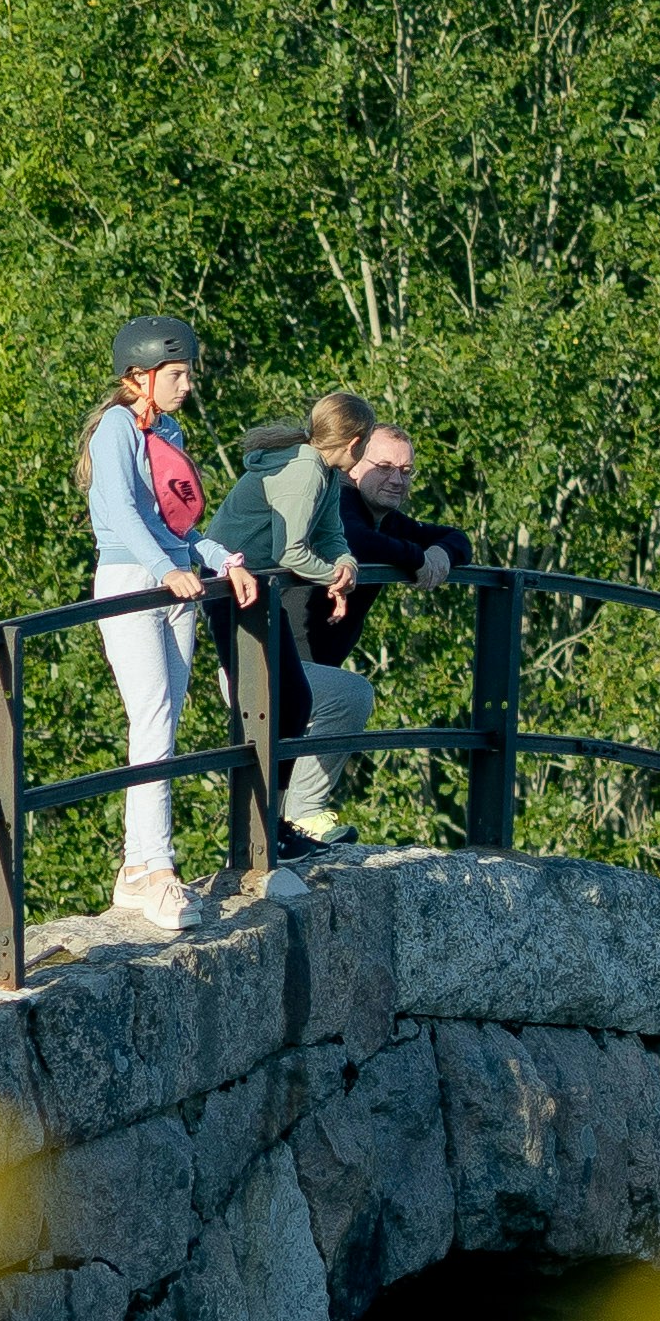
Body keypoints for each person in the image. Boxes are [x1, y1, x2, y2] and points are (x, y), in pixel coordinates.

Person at [77, 316, 257, 925]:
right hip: (134, 580)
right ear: (139, 375)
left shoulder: (169, 428)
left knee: (166, 722)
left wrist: (222, 560)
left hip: (179, 581)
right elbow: (120, 513)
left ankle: (135, 870)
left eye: (186, 373)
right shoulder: (114, 430)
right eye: (175, 374)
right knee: (152, 717)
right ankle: (156, 869)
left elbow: (178, 525)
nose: (186, 384)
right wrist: (162, 569)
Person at [190, 394, 369, 852]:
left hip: (258, 590)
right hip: (231, 587)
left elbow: (329, 535)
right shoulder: (304, 468)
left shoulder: (324, 472)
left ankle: (273, 825)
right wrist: (333, 575)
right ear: (355, 441)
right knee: (276, 706)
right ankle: (260, 830)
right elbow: (292, 552)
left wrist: (345, 565)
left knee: (293, 703)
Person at [294, 410, 473, 838]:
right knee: (352, 695)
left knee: (335, 702)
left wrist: (441, 555)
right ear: (354, 460)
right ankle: (300, 820)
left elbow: (455, 536)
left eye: (407, 470)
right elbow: (354, 540)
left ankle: (289, 829)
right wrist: (417, 558)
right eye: (385, 467)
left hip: (306, 669)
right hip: (266, 662)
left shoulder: (384, 517)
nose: (398, 479)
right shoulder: (335, 496)